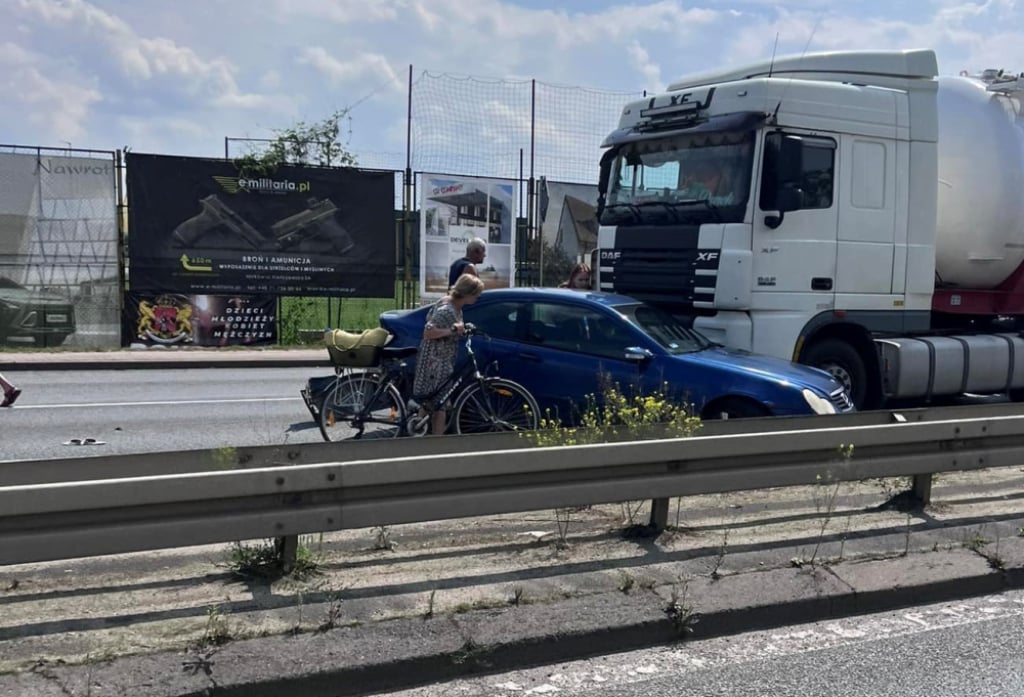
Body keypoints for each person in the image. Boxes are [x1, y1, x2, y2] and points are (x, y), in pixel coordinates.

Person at [413, 273, 486, 435]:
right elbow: (428, 332)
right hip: (435, 361)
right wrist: (452, 330)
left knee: (430, 403)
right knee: (440, 405)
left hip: (440, 358)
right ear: (467, 293)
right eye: (477, 294)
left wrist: (462, 329)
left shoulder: (452, 304)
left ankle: (418, 433)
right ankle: (438, 445)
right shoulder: (447, 309)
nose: (478, 298)